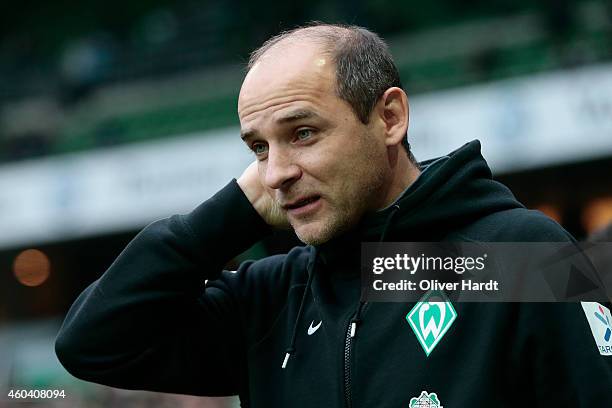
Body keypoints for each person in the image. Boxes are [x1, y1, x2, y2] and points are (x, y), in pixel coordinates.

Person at [55, 23, 612, 407]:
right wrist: (231, 212)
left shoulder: (523, 255)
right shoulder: (273, 298)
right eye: (258, 148)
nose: (275, 172)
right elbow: (92, 343)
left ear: (389, 117)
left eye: (302, 133)